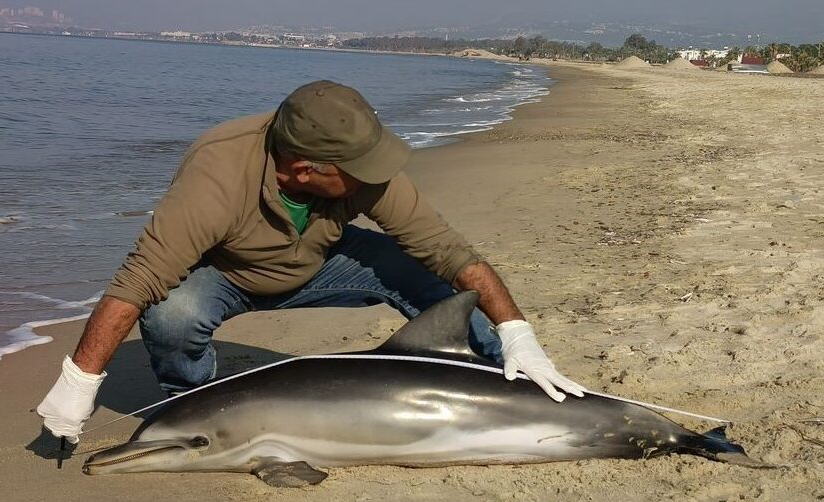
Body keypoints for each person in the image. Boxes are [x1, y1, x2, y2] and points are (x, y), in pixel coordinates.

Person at [37, 80, 586, 444]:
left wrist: (517, 332)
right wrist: (79, 381)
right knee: (170, 314)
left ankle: (507, 375)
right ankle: (197, 406)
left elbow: (446, 249)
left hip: (325, 261)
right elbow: (138, 280)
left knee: (432, 276)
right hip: (227, 274)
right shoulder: (217, 175)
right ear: (304, 169)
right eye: (360, 168)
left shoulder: (361, 170)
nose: (375, 175)